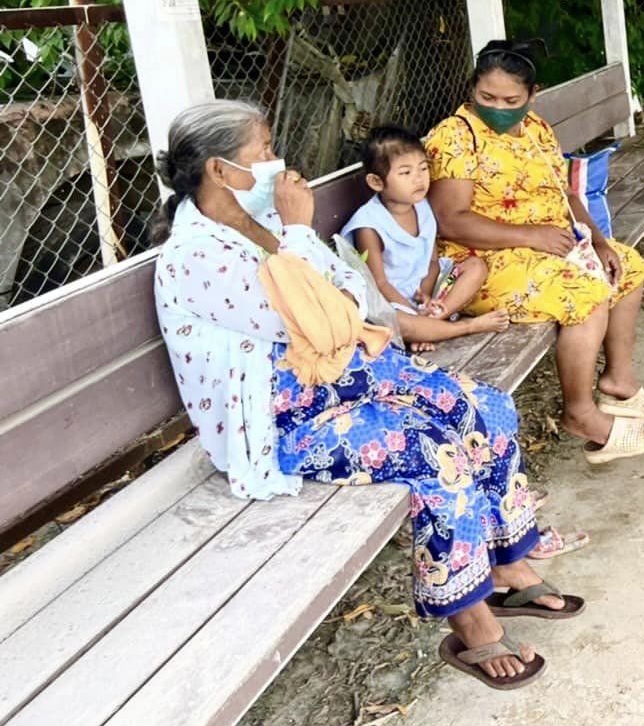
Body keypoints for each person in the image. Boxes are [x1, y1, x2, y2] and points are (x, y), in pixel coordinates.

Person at [153, 99, 581, 691]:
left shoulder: (268, 226)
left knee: (485, 406)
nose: (279, 164)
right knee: (435, 451)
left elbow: (351, 290)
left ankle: (505, 562)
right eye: (265, 152)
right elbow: (315, 320)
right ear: (221, 171)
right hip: (287, 420)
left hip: (349, 379)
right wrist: (303, 237)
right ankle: (469, 617)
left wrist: (309, 262)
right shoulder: (196, 255)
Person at [424, 43, 644, 465]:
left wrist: (596, 240)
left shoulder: (536, 128)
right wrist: (531, 235)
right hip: (481, 261)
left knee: (626, 267)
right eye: (487, 98)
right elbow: (450, 219)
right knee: (586, 294)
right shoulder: (456, 136)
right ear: (471, 90)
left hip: (547, 244)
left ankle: (618, 380)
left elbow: (564, 193)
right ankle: (579, 412)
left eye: (510, 101)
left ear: (532, 95)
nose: (498, 108)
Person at [341, 125, 511, 349]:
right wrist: (413, 313)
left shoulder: (422, 207)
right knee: (402, 324)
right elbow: (379, 284)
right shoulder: (369, 226)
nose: (419, 179)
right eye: (406, 173)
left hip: (426, 294)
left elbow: (431, 261)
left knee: (475, 266)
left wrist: (428, 298)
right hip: (393, 302)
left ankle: (435, 320)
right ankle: (466, 327)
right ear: (376, 182)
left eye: (423, 168)